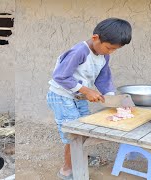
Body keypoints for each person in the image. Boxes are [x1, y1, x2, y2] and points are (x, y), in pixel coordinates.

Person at [46, 18, 132, 179]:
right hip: (61, 97)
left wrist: (111, 98)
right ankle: (67, 169)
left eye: (115, 50)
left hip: (78, 98)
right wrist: (86, 91)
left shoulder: (103, 55)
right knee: (73, 134)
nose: (111, 52)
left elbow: (103, 78)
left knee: (83, 129)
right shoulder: (80, 51)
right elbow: (60, 76)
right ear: (95, 38)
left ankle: (79, 157)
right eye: (109, 47)